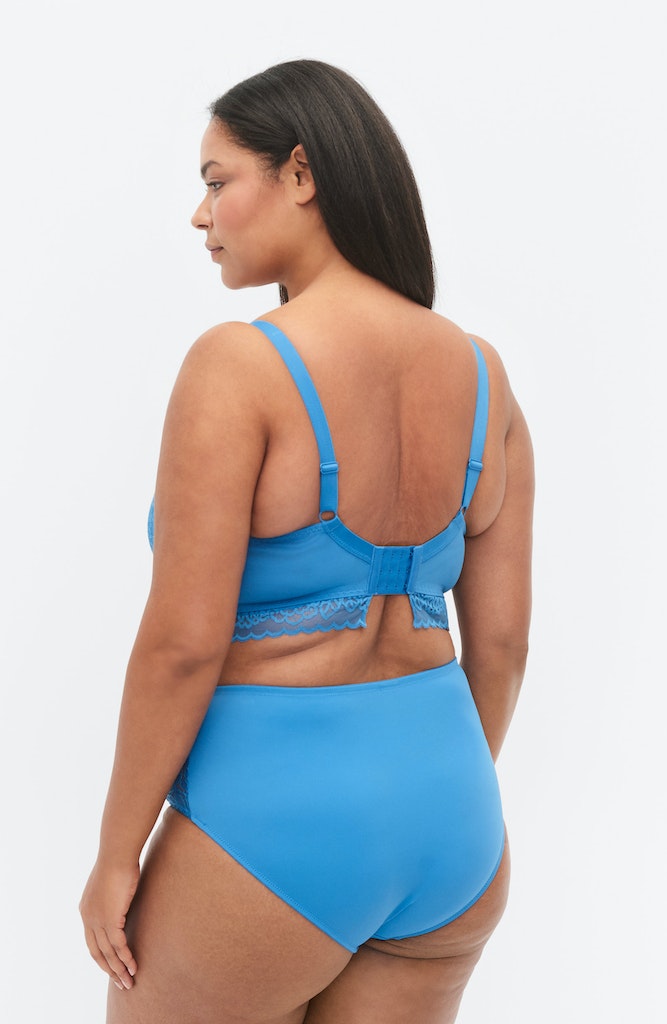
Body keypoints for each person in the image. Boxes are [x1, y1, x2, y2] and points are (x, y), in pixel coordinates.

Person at [79, 58, 534, 1024]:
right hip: (452, 818)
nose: (199, 216)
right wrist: (426, 797)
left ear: (300, 173)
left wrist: (116, 855)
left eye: (216, 182)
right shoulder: (482, 375)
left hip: (277, 824)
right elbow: (498, 645)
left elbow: (182, 645)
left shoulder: (239, 366)